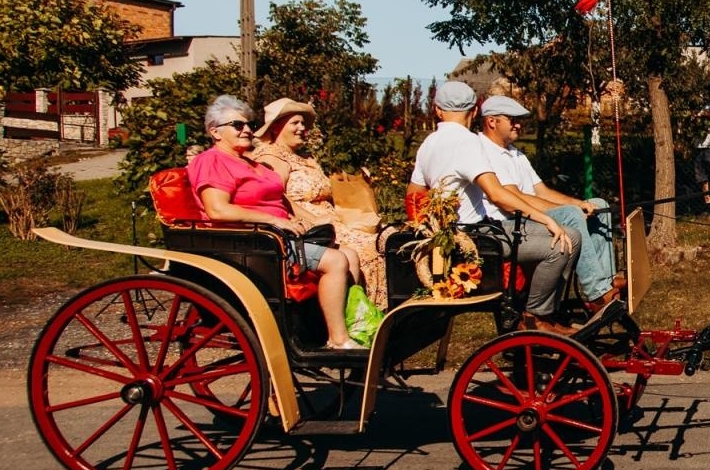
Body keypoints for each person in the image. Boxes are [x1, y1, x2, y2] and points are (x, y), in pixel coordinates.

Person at [187, 95, 365, 350]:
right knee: (336, 260)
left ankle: (340, 327)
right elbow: (218, 210)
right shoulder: (212, 161)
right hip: (253, 243)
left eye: (249, 124)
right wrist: (274, 220)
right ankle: (338, 340)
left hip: (279, 237)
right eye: (237, 125)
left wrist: (299, 219)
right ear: (215, 132)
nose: (247, 130)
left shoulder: (249, 162)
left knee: (349, 254)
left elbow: (280, 199)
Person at [407, 80, 579, 333]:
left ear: (437, 110)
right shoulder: (467, 142)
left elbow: (414, 195)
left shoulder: (428, 144)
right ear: (475, 111)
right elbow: (497, 194)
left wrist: (435, 226)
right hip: (477, 237)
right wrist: (545, 219)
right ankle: (536, 316)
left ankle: (540, 312)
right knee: (565, 243)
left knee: (567, 236)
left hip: (457, 233)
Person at [476, 94, 624, 313]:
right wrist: (569, 209)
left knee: (598, 204)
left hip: (529, 214)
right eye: (512, 120)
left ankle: (607, 279)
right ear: (491, 121)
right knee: (572, 214)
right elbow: (515, 197)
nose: (519, 125)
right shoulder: (485, 151)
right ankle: (596, 292)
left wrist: (580, 203)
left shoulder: (515, 153)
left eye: (519, 120)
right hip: (511, 220)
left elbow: (541, 191)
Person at [252, 97, 388, 308]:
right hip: (309, 226)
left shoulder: (305, 157)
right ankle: (359, 313)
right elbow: (278, 198)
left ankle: (377, 310)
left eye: (303, 123)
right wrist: (314, 219)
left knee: (384, 237)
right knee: (367, 248)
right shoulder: (271, 158)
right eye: (295, 123)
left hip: (331, 219)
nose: (302, 128)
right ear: (276, 126)